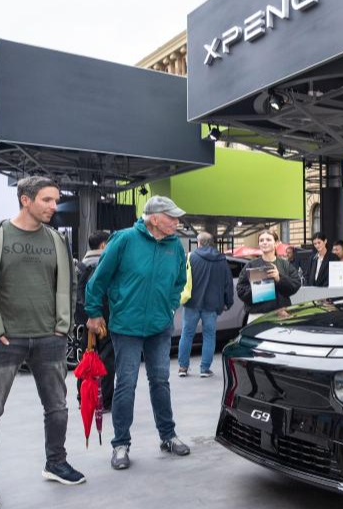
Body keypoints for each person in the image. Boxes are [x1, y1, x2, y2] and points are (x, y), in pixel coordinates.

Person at [0, 176, 85, 509]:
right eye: (47, 199)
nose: (53, 206)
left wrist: (62, 327)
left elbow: (69, 284)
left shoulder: (57, 240)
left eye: (55, 199)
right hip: (4, 339)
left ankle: (56, 462)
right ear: (25, 200)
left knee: (57, 408)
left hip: (49, 338)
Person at [85, 196, 191, 471]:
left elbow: (179, 281)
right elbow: (98, 279)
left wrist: (169, 307)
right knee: (126, 383)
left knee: (161, 381)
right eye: (171, 217)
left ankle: (167, 436)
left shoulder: (174, 247)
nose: (176, 222)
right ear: (154, 218)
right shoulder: (124, 239)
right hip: (127, 326)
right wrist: (94, 312)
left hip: (159, 326)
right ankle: (120, 444)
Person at [179, 231, 234, 378]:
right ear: (212, 243)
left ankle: (183, 367)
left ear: (199, 243)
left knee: (187, 334)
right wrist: (228, 302)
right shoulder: (221, 259)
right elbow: (228, 283)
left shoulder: (191, 257)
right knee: (209, 336)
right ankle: (204, 369)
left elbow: (181, 278)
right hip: (212, 304)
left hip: (191, 303)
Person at [75, 230, 113, 412]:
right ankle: (104, 401)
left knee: (86, 357)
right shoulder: (105, 264)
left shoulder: (80, 265)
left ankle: (83, 397)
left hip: (83, 319)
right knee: (107, 358)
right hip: (104, 317)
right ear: (103, 245)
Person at [236, 230, 302, 322]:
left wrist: (279, 279)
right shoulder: (251, 265)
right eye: (261, 240)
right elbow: (241, 290)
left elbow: (296, 285)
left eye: (268, 239)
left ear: (276, 243)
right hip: (257, 315)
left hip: (281, 315)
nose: (264, 242)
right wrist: (260, 289)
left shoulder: (285, 265)